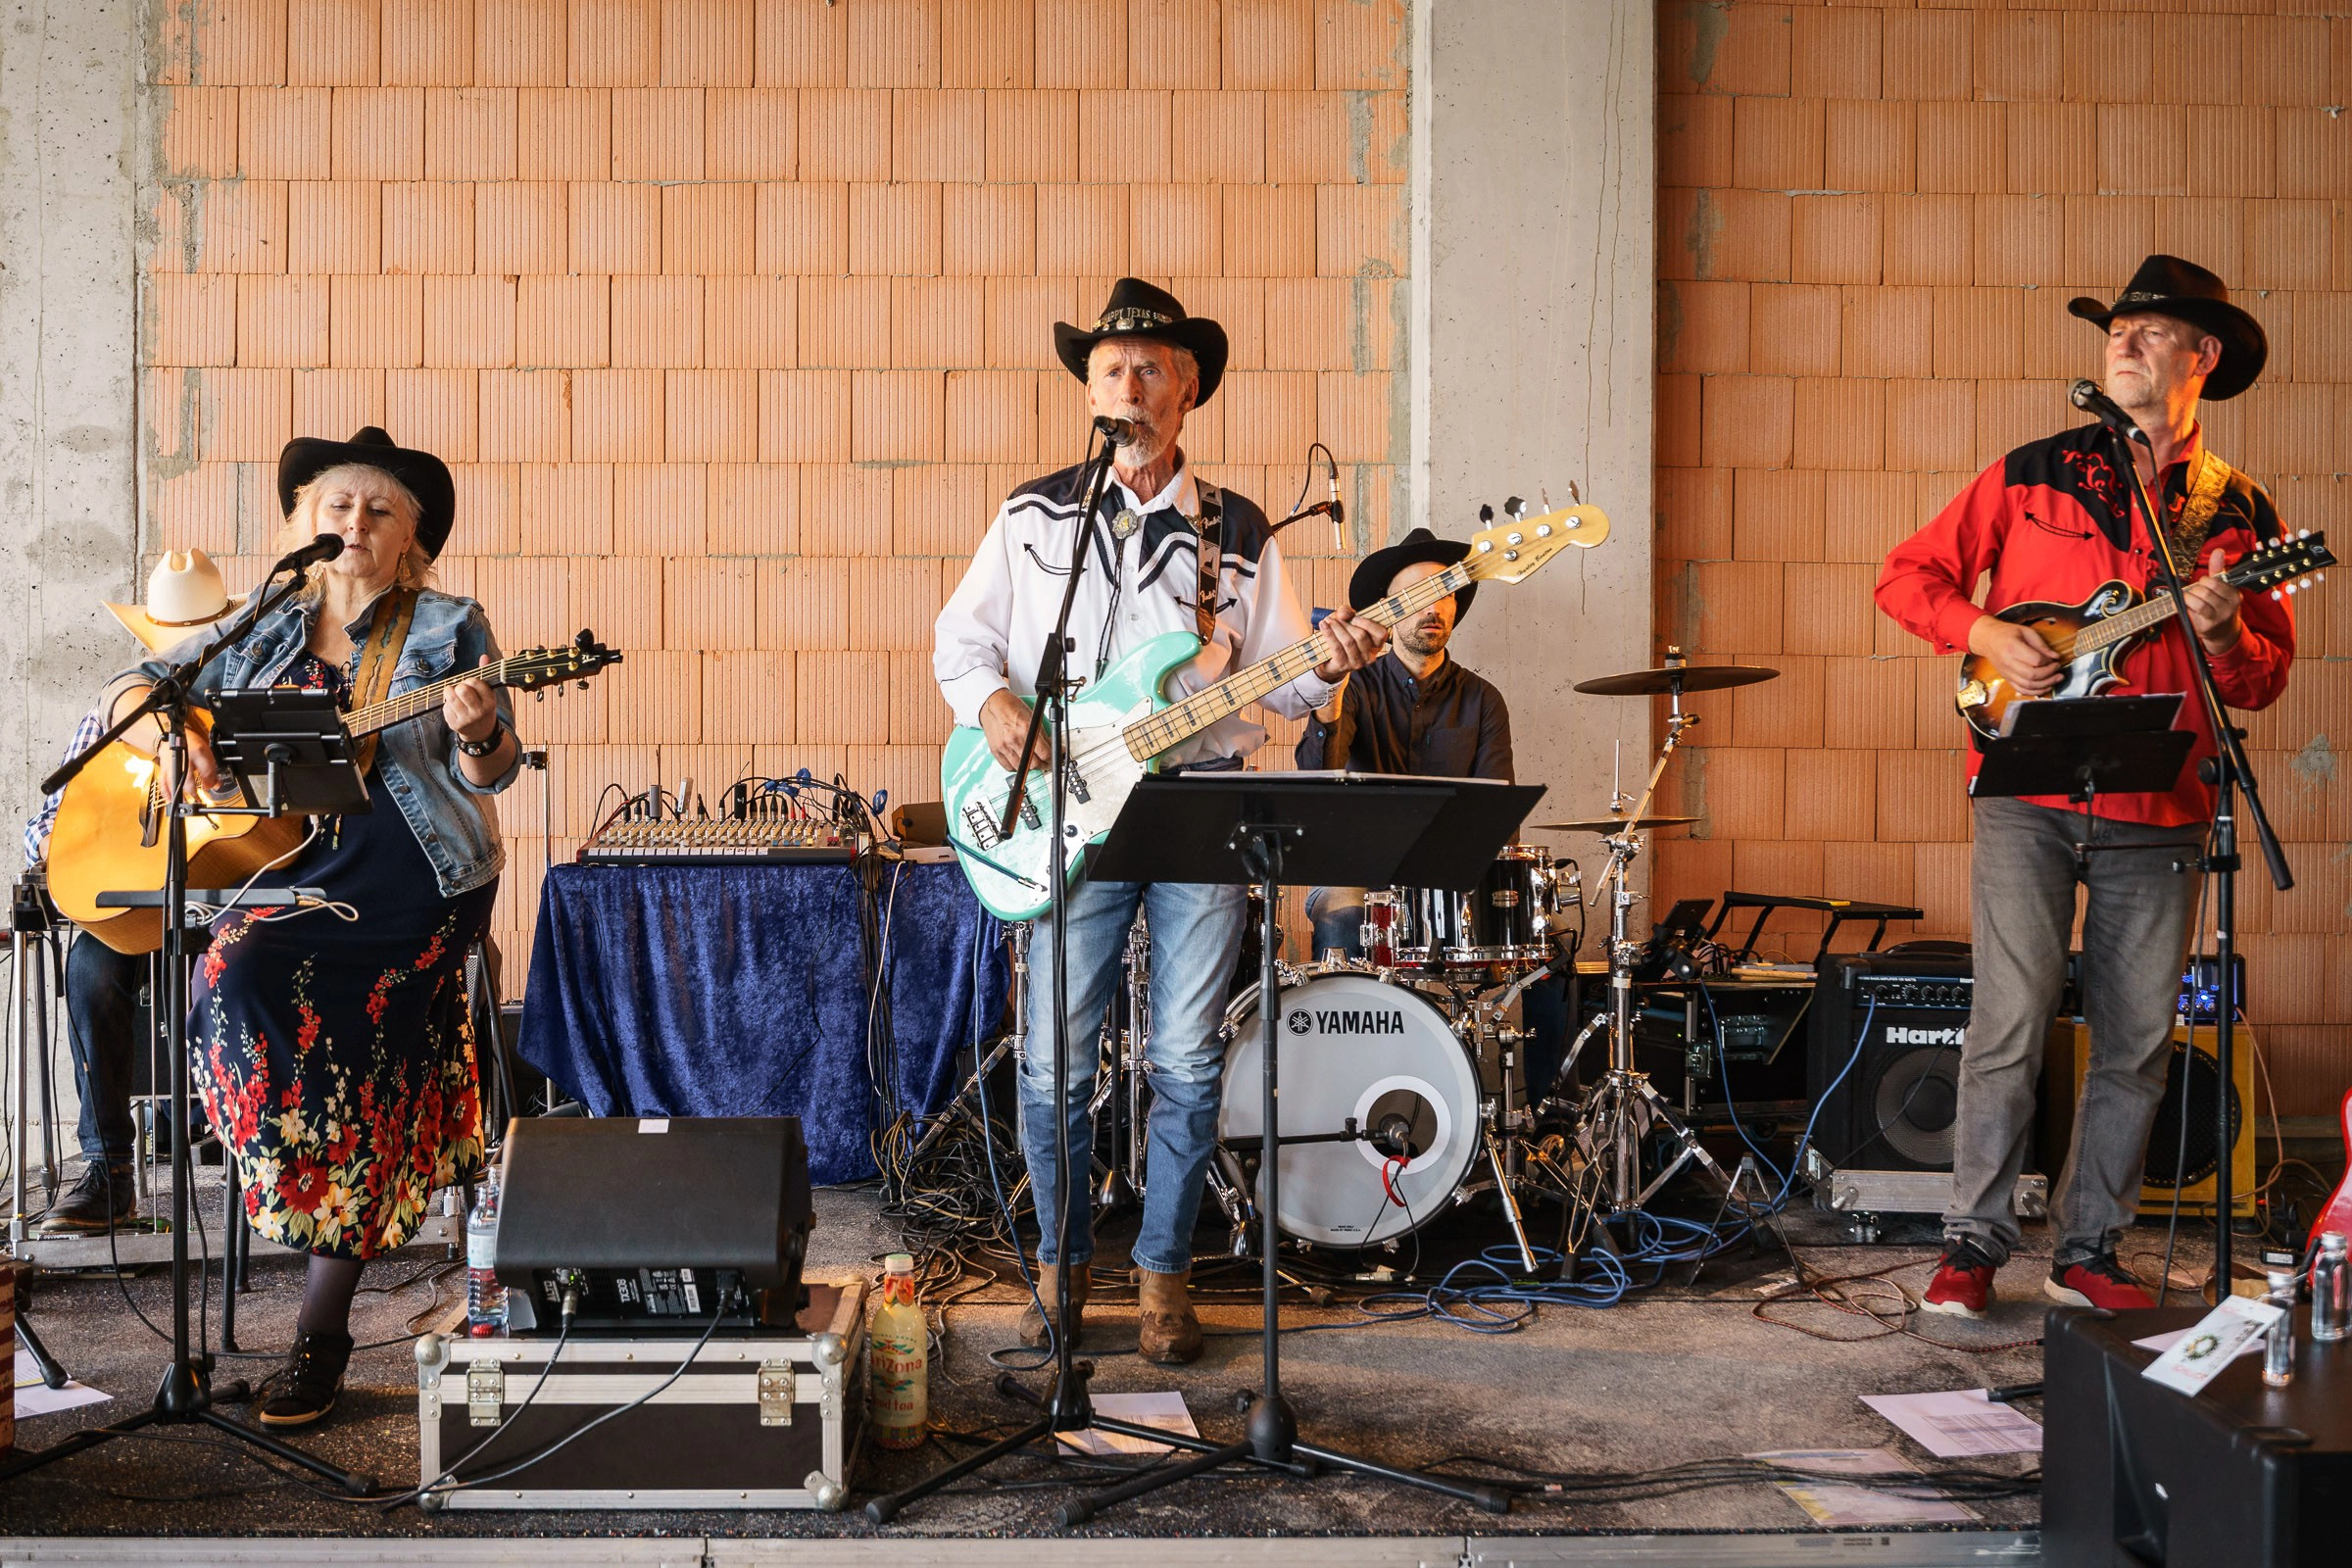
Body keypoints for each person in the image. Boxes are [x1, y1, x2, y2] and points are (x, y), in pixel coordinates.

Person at [933, 279, 1387, 1363]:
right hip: (1065, 811)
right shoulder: (1034, 515)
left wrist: (1328, 666)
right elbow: (962, 642)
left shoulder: (1237, 528)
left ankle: (1165, 1275)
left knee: (1186, 1057)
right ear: (1090, 391)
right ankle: (1061, 1267)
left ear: (1187, 391)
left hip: (1197, 811)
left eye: (1149, 369)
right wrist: (993, 705)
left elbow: (1281, 683)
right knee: (1054, 1060)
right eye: (1111, 370)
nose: (1128, 386)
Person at [1875, 257, 2293, 1318]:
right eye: (2117, 329)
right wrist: (1984, 632)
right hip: (2026, 787)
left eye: (2151, 331)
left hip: (2163, 802)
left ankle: (2089, 1249)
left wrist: (2226, 632)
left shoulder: (2241, 509)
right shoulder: (2032, 471)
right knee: (2008, 1022)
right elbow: (1907, 576)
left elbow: (2263, 679)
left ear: (2203, 356)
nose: (2124, 343)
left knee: (2137, 1038)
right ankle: (1972, 1244)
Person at [103, 427, 521, 1425]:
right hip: (291, 869)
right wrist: (176, 735)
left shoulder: (450, 625)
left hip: (419, 880)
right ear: (306, 521)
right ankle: (301, 1173)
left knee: (370, 1065)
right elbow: (142, 688)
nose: (356, 523)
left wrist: (477, 732)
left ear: (411, 537)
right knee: (224, 977)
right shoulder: (266, 619)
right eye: (338, 505)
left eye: (380, 510)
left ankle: (320, 1332)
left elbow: (495, 771)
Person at [24, 550, 251, 1236]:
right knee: (90, 969)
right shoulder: (121, 712)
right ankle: (109, 1172)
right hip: (139, 902)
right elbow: (42, 829)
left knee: (248, 966)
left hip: (236, 897)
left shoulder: (244, 703)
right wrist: (91, 843)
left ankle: (258, 1154)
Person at [1295, 527, 1513, 957]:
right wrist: (1331, 691)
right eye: (1416, 595)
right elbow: (1317, 778)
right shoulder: (1353, 685)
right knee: (1344, 916)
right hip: (1357, 871)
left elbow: (1498, 816)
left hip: (1448, 875)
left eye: (1444, 593)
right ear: (1388, 611)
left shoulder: (1483, 699)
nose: (1432, 607)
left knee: (1543, 933)